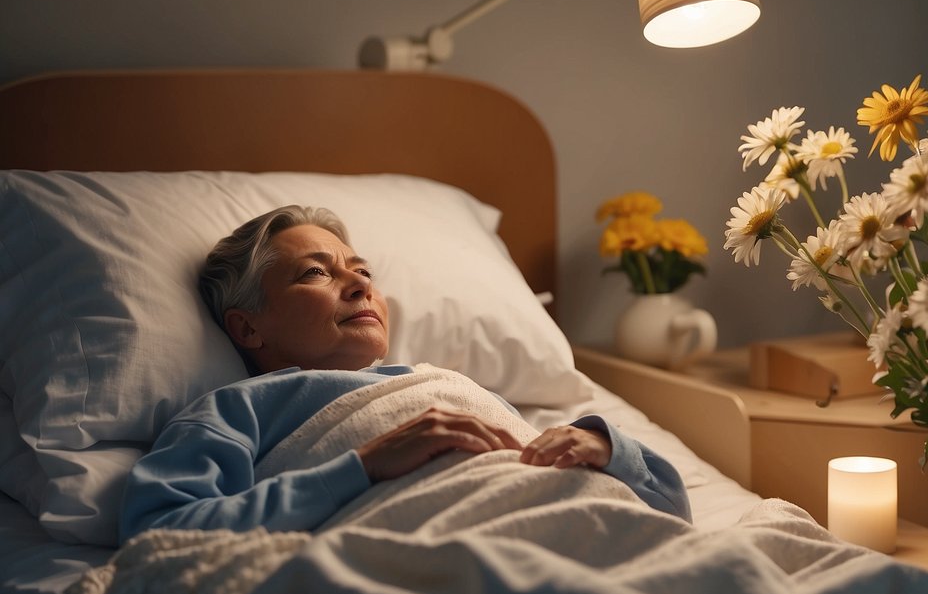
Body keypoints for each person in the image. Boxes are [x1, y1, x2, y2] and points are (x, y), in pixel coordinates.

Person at [118, 206, 690, 541]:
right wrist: (362, 467)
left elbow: (670, 509)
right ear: (247, 329)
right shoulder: (235, 410)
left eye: (363, 271)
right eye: (316, 273)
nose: (360, 284)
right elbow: (160, 532)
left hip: (586, 532)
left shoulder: (452, 389)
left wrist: (603, 447)